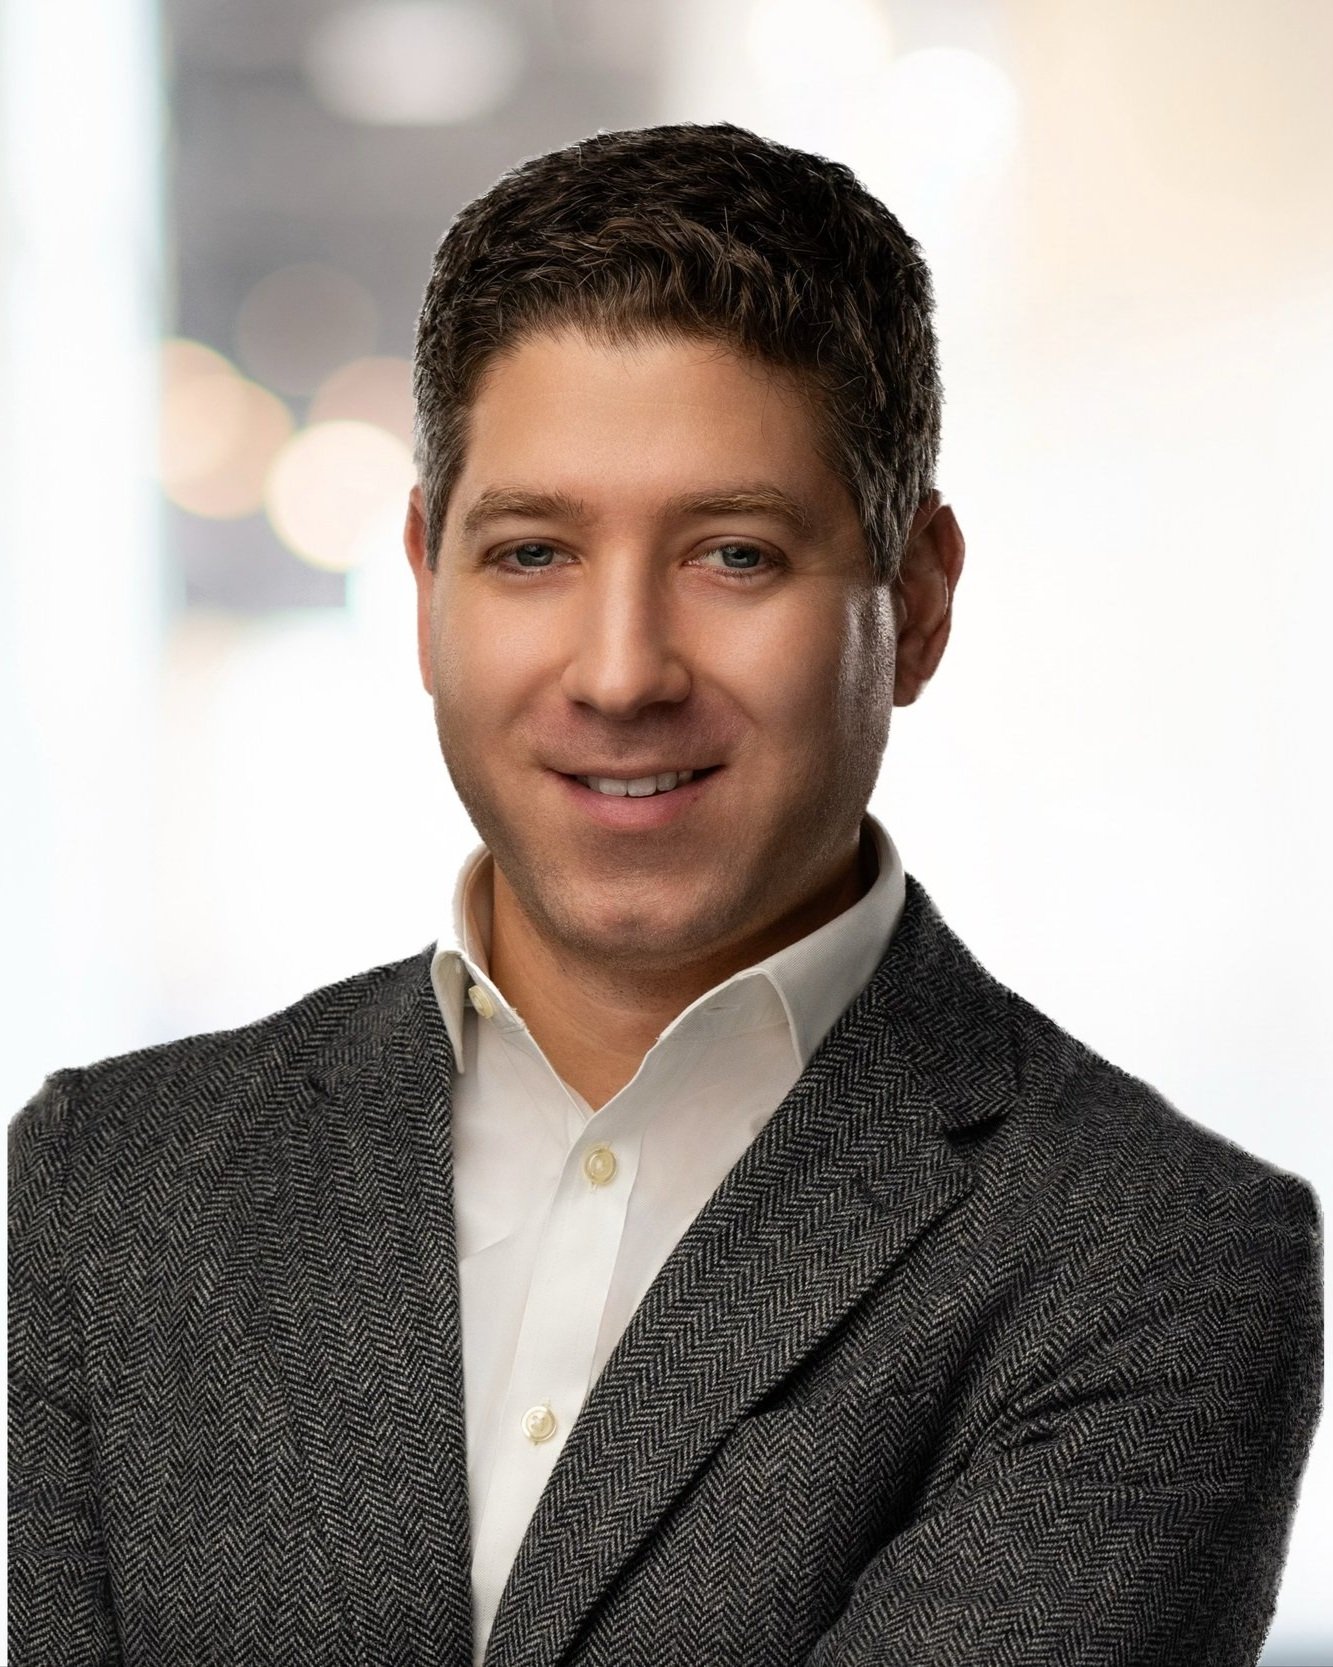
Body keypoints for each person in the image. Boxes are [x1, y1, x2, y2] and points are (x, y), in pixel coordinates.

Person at [9, 122, 1322, 1667]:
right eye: (534, 552)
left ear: (914, 601)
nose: (621, 671)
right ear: (428, 586)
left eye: (734, 555)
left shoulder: (1155, 1262)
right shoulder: (106, 1190)